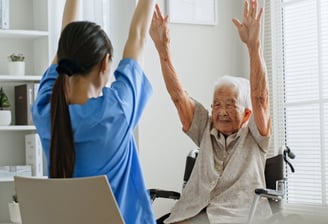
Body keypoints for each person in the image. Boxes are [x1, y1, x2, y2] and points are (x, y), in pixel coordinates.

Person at [31, 0, 157, 223]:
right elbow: (138, 36)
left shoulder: (45, 111)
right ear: (105, 64)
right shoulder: (116, 111)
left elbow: (66, 40)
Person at [150, 1, 271, 223]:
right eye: (217, 104)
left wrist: (254, 47)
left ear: (246, 114)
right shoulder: (205, 127)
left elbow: (260, 98)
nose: (221, 111)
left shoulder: (255, 136)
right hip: (191, 213)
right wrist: (163, 49)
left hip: (237, 216)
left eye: (230, 104)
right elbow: (178, 97)